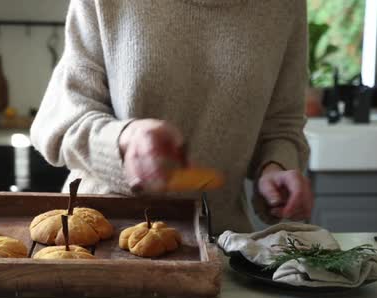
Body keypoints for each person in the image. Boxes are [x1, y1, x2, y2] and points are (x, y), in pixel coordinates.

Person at [31, 0, 313, 234]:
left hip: (220, 241)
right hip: (100, 234)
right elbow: (59, 122)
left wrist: (275, 166)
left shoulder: (284, 7)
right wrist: (124, 141)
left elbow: (282, 124)